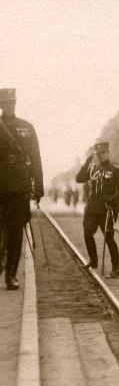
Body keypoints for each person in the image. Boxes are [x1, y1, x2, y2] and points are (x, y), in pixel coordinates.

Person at [0, 88, 43, 290]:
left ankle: (11, 274)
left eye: (12, 102)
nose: (10, 105)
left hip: (19, 188)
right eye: (6, 102)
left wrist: (39, 187)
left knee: (16, 233)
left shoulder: (27, 127)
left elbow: (35, 158)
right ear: (1, 105)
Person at [75, 141, 119, 276]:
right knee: (87, 234)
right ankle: (93, 260)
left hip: (107, 208)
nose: (101, 155)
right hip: (92, 208)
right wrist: (87, 162)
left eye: (103, 152)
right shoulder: (92, 169)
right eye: (98, 153)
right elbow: (79, 178)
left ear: (108, 153)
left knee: (109, 237)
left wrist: (114, 199)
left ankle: (117, 267)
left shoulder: (115, 170)